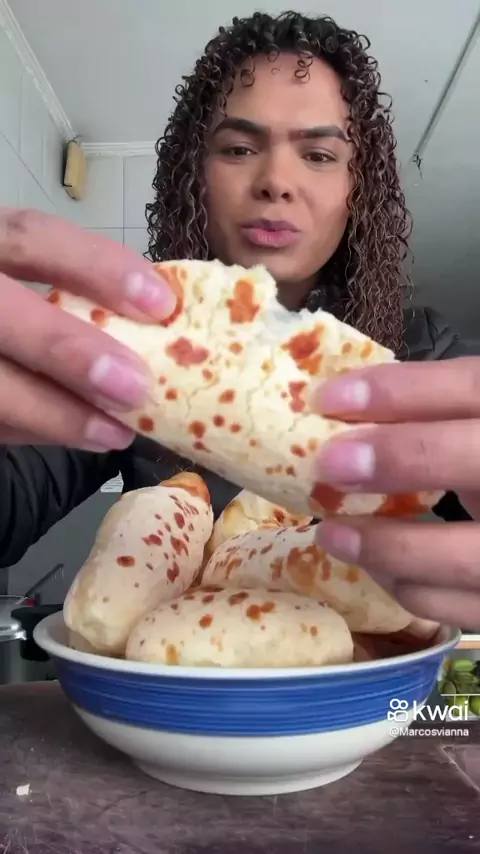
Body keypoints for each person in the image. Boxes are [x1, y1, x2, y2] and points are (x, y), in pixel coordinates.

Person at [0, 12, 478, 627]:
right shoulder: (122, 350)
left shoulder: (422, 352)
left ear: (357, 191)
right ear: (195, 177)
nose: (276, 181)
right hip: (172, 675)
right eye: (239, 149)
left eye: (319, 154)